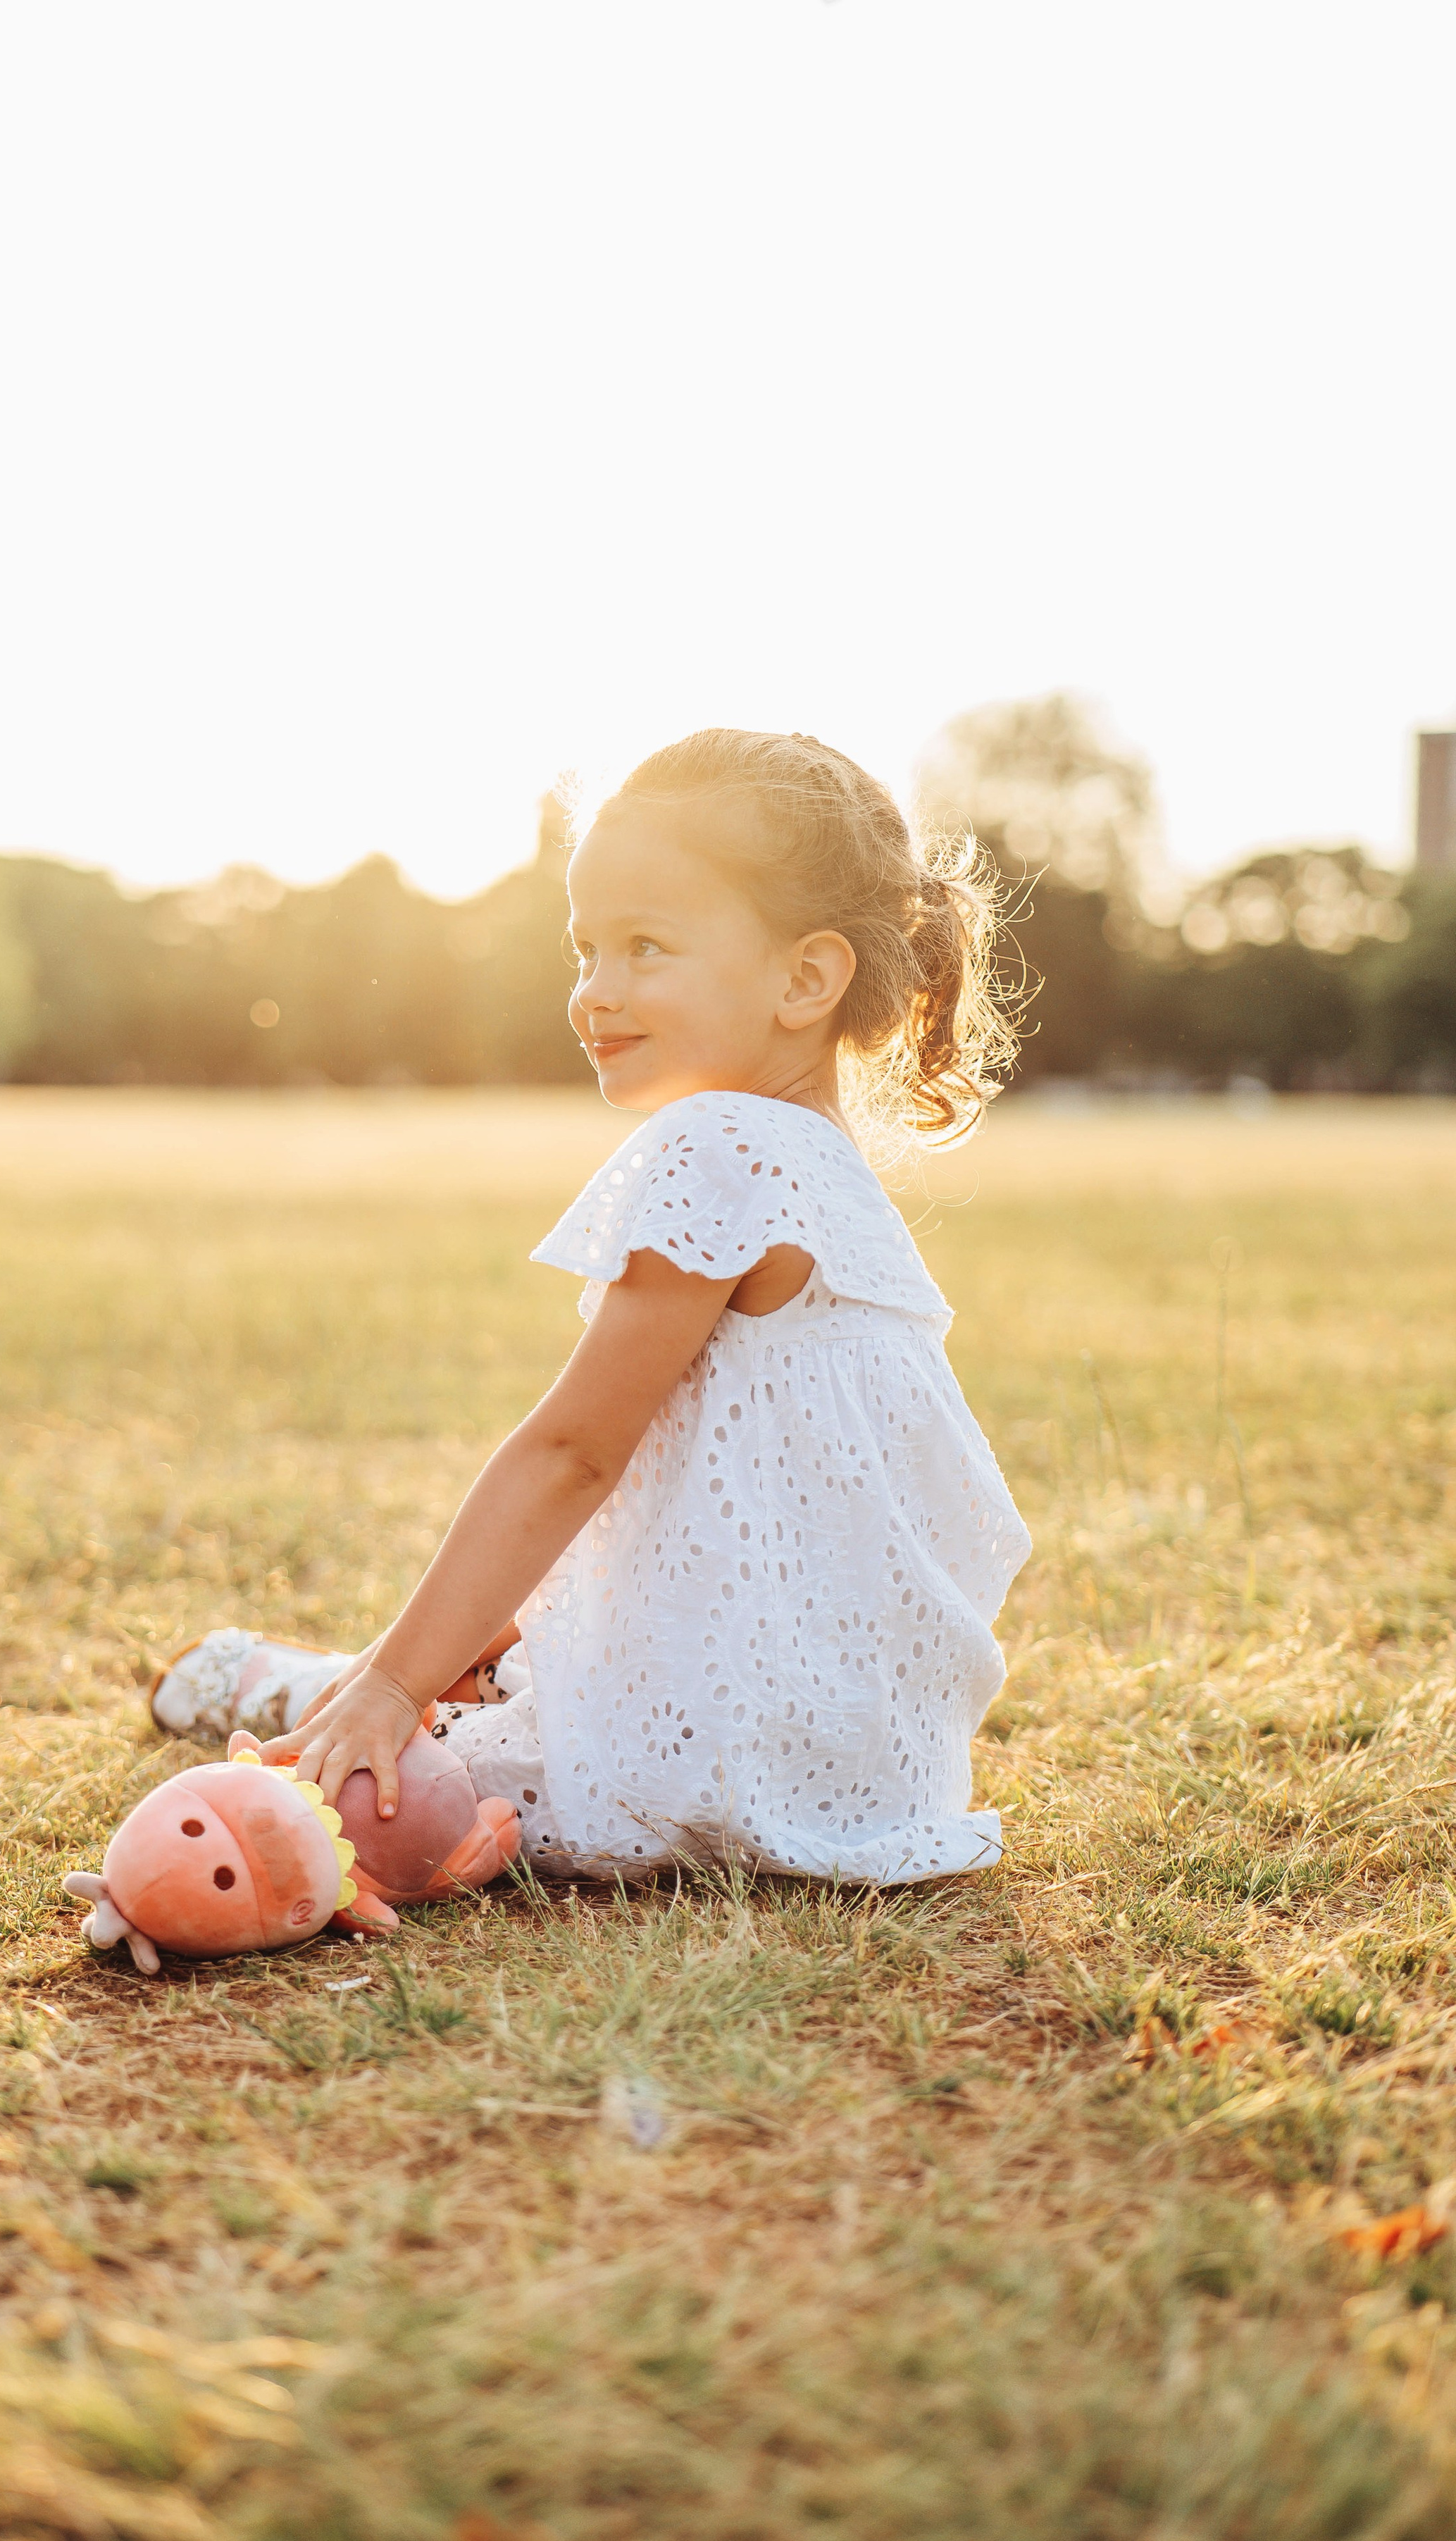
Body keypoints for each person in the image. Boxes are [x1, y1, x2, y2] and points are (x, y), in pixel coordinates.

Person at [151, 728, 1031, 1887]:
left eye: (647, 949)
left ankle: (287, 1679)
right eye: (585, 950)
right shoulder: (832, 1172)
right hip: (869, 1768)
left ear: (806, 978)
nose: (595, 993)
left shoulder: (716, 1145)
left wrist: (393, 1687)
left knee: (374, 1774)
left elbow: (574, 1453)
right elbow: (728, 1516)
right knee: (490, 1678)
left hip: (699, 1763)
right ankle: (387, 1680)